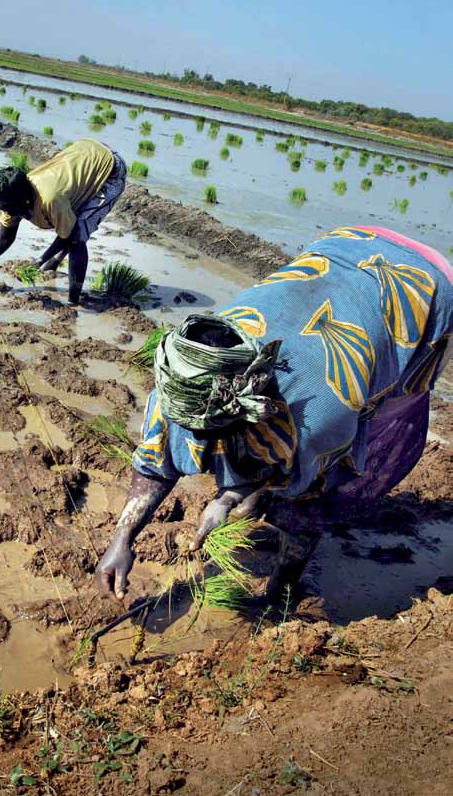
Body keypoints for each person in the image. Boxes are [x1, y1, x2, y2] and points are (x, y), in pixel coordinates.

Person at [96, 226, 453, 603]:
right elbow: (155, 459)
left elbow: (303, 481)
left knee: (311, 497)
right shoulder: (186, 372)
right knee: (266, 467)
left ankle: (282, 589)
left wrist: (229, 499)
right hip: (345, 245)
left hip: (422, 290)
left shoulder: (321, 413)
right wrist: (122, 538)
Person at [0, 139, 127, 304]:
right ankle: (55, 262)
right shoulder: (10, 197)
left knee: (77, 236)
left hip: (110, 168)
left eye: (10, 209)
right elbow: (5, 237)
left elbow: (68, 235)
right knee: (69, 222)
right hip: (83, 154)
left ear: (24, 201)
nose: (7, 213)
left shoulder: (50, 199)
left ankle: (74, 300)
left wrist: (41, 259)